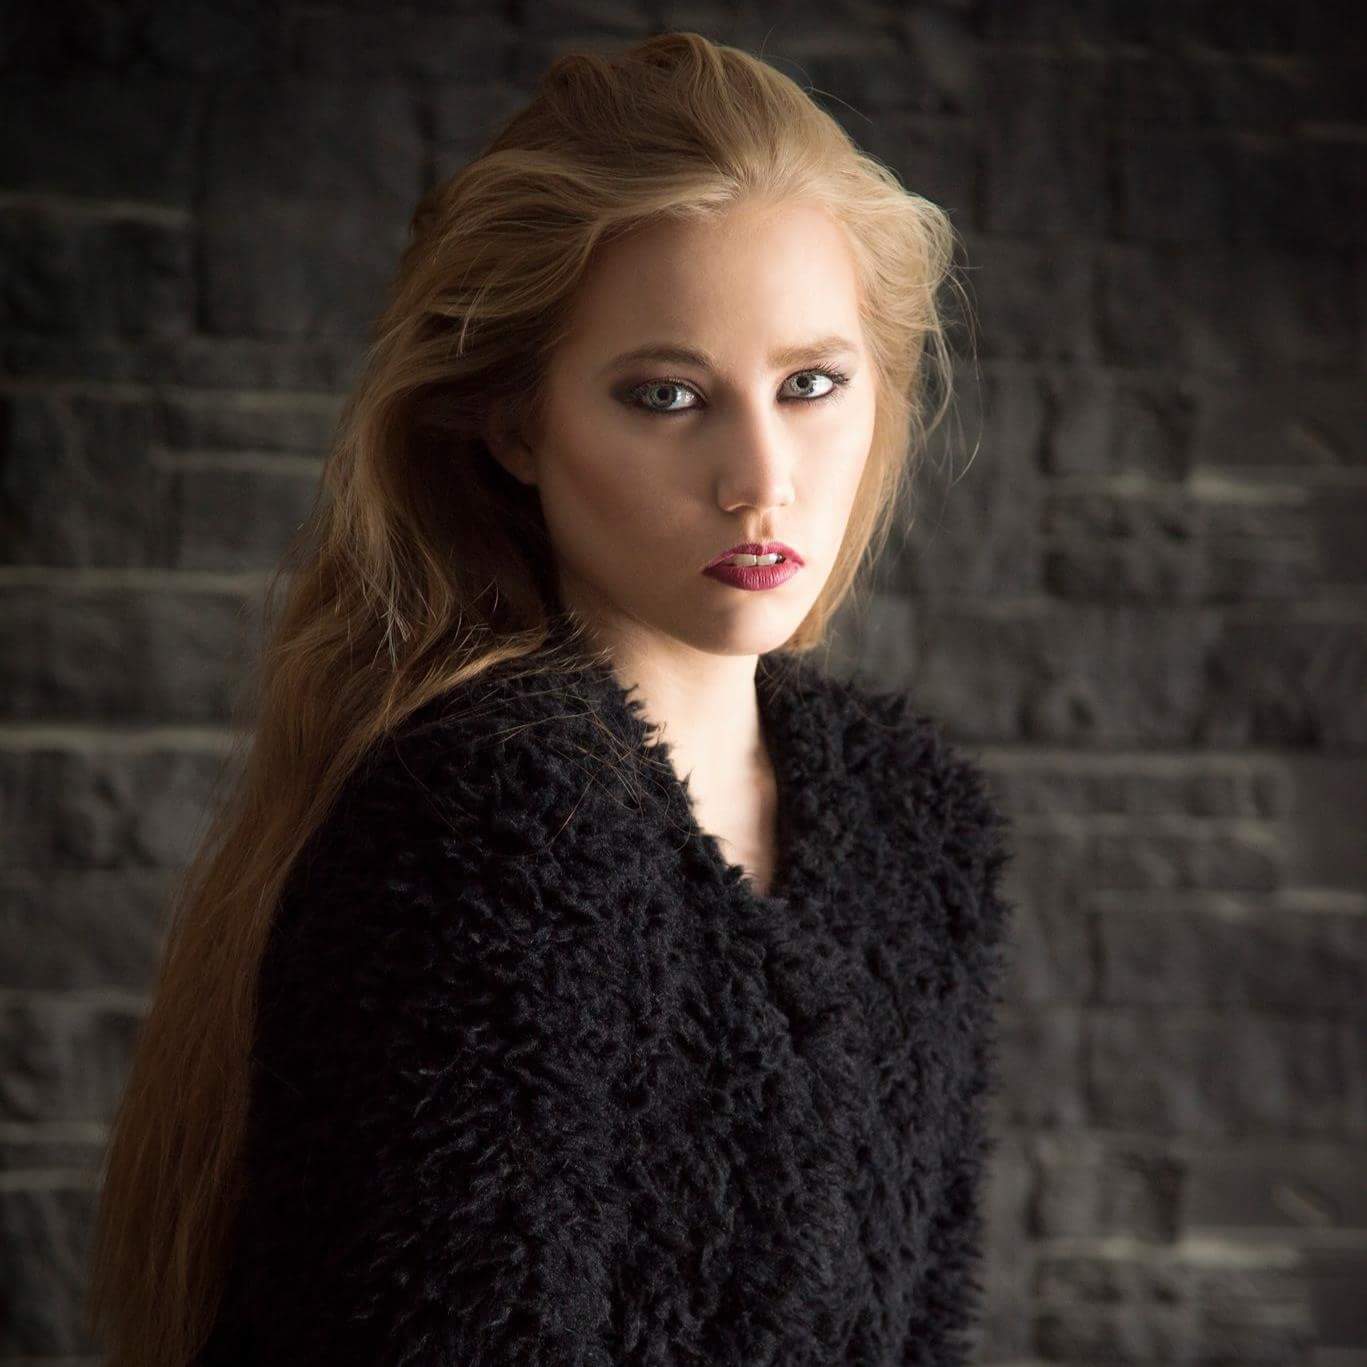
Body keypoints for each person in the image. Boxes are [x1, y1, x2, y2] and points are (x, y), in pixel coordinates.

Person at [85, 30, 1014, 1367]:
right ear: (518, 426)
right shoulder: (486, 826)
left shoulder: (912, 826)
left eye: (811, 384)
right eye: (667, 396)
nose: (761, 478)